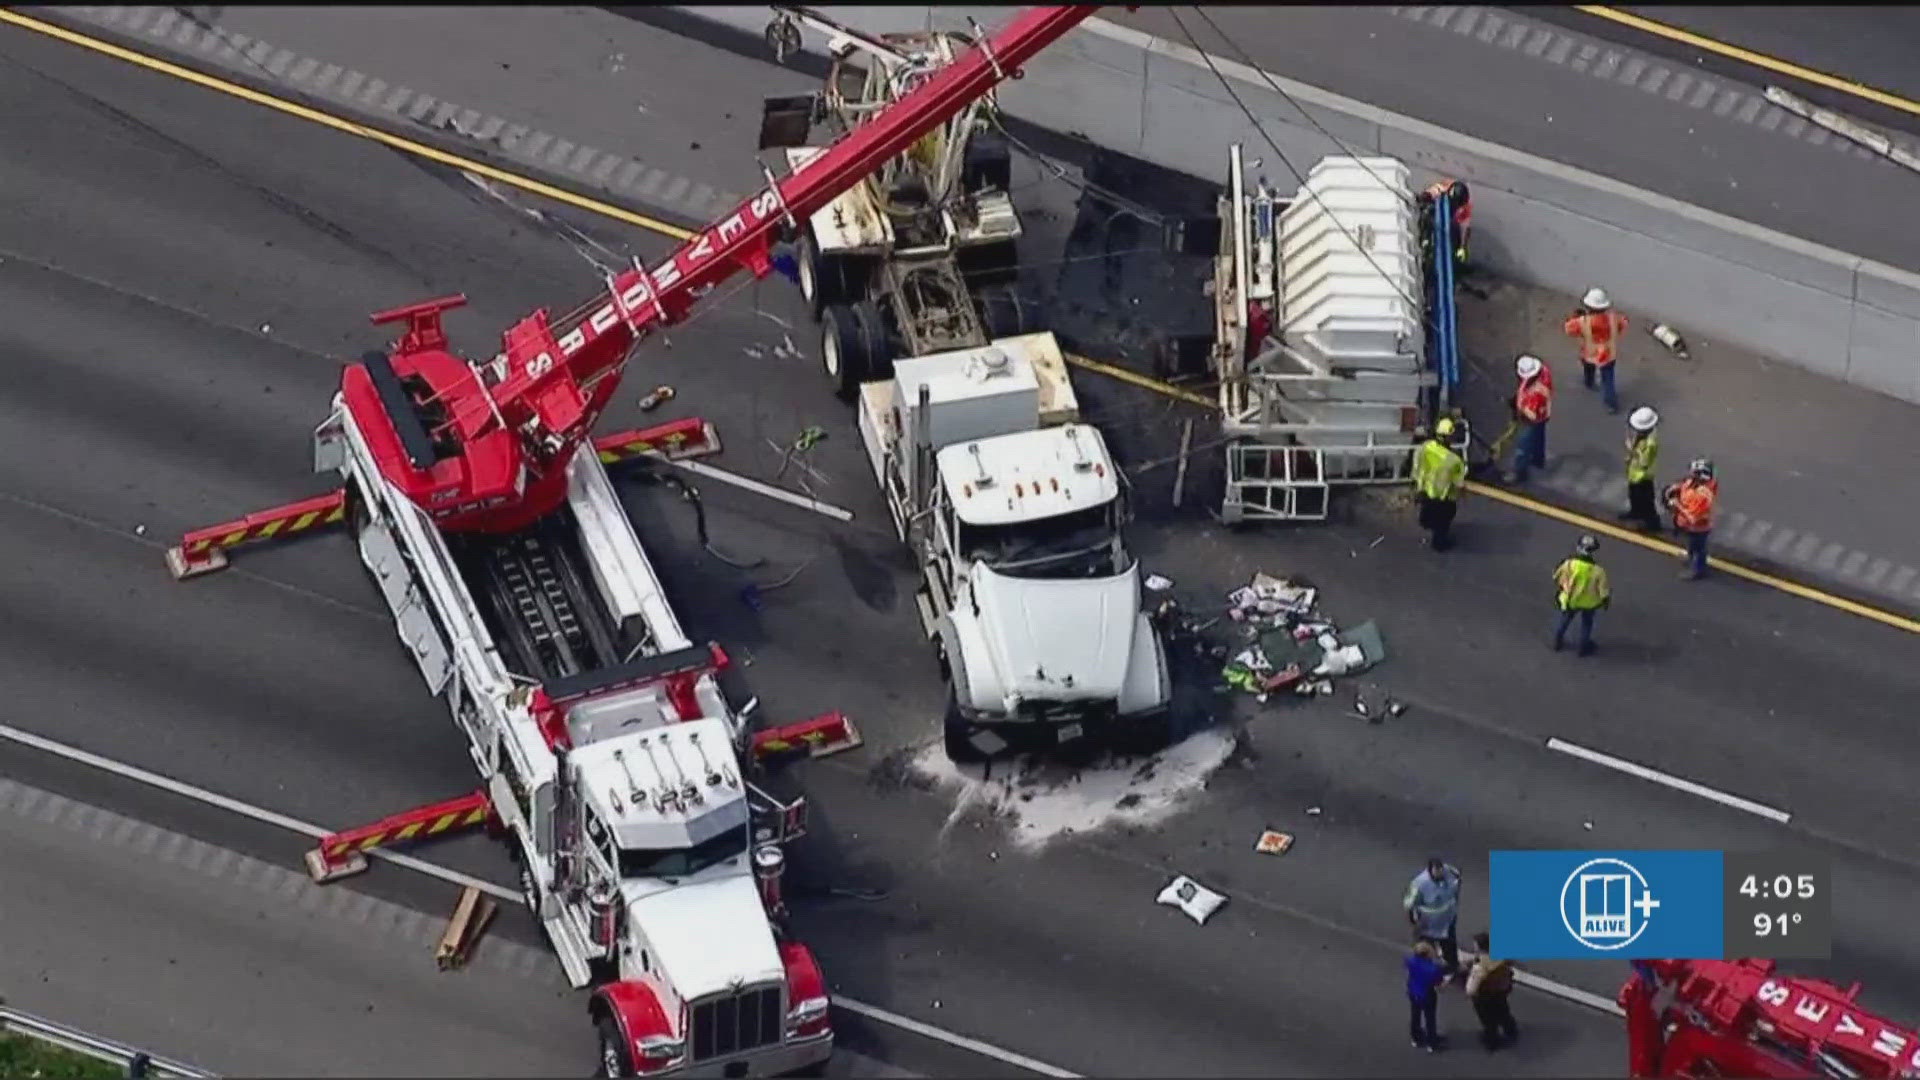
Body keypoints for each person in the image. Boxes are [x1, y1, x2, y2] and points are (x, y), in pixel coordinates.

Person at [1564, 287, 1630, 414]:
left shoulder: (1582, 322)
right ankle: (1611, 404)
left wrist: (1574, 317)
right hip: (1608, 354)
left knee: (1588, 369)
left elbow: (1569, 329)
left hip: (1589, 353)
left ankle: (1589, 383)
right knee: (1608, 380)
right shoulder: (1614, 319)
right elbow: (1624, 324)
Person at [1413, 418, 1468, 551]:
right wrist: (1462, 494)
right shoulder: (1454, 460)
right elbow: (1458, 483)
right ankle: (1440, 545)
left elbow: (1417, 465)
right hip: (1443, 496)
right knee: (1443, 522)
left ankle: (1426, 522)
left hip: (1424, 490)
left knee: (1427, 512)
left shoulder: (1425, 447)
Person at [1553, 534, 1611, 656]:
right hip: (1589, 603)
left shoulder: (1569, 564)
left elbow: (1557, 577)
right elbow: (1603, 591)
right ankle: (1583, 647)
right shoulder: (1598, 571)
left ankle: (1557, 641)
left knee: (1565, 620)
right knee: (1587, 624)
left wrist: (1562, 588)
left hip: (1571, 600)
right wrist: (1605, 602)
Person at [1404, 857, 1463, 975]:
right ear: (1430, 870)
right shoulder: (1420, 884)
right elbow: (1409, 903)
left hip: (1447, 920)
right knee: (1426, 948)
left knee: (1449, 944)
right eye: (1437, 871)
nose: (1440, 873)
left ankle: (1452, 966)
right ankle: (1424, 969)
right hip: (1428, 923)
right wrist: (1414, 920)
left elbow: (1457, 885)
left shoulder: (1451, 873)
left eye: (1441, 870)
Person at [1664, 458, 1718, 580]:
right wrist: (1675, 488)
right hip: (1690, 527)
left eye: (1695, 473)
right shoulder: (1694, 483)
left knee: (1699, 548)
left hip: (1699, 528)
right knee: (1692, 545)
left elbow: (1693, 518)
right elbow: (1685, 485)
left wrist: (1677, 505)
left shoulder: (1703, 496)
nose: (1691, 474)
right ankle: (1690, 555)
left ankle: (1698, 570)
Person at [1466, 932, 1519, 1051]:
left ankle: (1492, 1041)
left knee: (1488, 1020)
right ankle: (1511, 1031)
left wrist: (1471, 994)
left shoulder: (1480, 966)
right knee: (1504, 1012)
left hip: (1485, 996)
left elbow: (1471, 989)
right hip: (1501, 990)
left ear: (1479, 947)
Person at [1618, 407, 1662, 532]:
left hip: (1643, 477)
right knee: (1634, 496)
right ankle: (1635, 512)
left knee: (1647, 502)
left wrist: (1632, 449)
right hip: (1634, 474)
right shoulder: (1642, 436)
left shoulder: (1651, 443)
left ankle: (1653, 525)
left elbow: (1644, 462)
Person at [1509, 354, 1552, 483]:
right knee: (1539, 437)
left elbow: (1531, 415)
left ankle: (1520, 472)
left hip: (1532, 419)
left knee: (1523, 445)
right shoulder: (1544, 372)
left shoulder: (1534, 394)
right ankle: (1538, 460)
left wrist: (1520, 406)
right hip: (1544, 413)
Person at [1406, 940, 1449, 1053]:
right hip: (1427, 995)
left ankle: (1416, 1038)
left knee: (1415, 1015)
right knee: (1430, 1019)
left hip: (1413, 992)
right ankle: (1432, 1043)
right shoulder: (1433, 969)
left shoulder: (1410, 961)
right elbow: (1439, 983)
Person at [1423, 178, 1471, 270]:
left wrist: (1462, 246)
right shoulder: (1442, 188)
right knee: (1427, 213)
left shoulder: (1465, 206)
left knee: (1459, 237)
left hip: (1451, 220)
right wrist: (1426, 196)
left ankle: (1456, 266)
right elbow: (1432, 192)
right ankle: (1425, 240)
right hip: (1435, 210)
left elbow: (1464, 227)